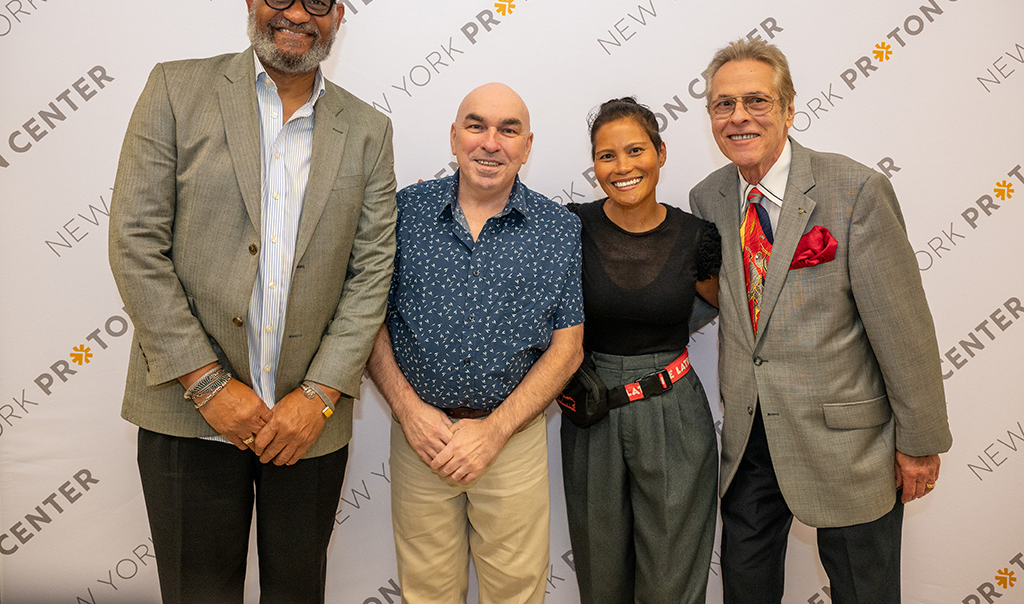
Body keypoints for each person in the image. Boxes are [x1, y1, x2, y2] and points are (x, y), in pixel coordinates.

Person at [108, 0, 396, 604]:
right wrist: (209, 384)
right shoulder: (176, 89)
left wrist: (320, 394)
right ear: (250, 0)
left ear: (337, 16)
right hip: (188, 410)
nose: (298, 12)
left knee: (297, 591)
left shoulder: (369, 129)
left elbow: (371, 271)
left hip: (308, 421)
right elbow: (134, 243)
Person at [689, 38, 952, 603]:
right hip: (749, 443)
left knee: (865, 593)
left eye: (756, 101)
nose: (738, 117)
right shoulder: (707, 197)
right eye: (722, 104)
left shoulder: (854, 189)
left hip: (848, 446)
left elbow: (903, 327)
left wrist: (920, 440)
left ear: (788, 108)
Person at [366, 82, 584, 604]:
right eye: (476, 125)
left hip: (512, 438)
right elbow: (366, 319)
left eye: (508, 130)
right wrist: (409, 411)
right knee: (427, 592)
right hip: (421, 436)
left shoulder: (559, 229)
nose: (491, 142)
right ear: (453, 136)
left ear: (527, 146)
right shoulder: (402, 214)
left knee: (516, 592)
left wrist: (494, 431)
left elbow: (568, 348)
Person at [560, 97, 721, 603]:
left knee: (672, 581)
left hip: (676, 415)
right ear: (593, 164)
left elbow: (735, 313)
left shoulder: (699, 238)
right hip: (592, 414)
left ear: (661, 152)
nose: (623, 167)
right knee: (600, 577)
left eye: (635, 150)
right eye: (607, 156)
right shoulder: (570, 227)